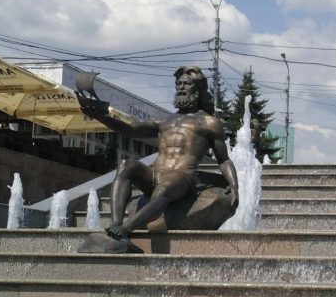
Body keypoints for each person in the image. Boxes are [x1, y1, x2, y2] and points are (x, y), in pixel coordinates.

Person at [79, 66, 239, 242]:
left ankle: (126, 229)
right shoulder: (165, 120)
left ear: (198, 89)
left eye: (187, 84)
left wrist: (234, 185)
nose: (181, 87)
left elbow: (223, 160)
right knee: (126, 165)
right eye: (179, 84)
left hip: (183, 177)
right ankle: (116, 224)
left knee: (165, 187)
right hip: (156, 175)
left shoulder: (210, 123)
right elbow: (131, 130)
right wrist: (102, 117)